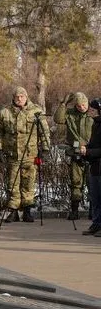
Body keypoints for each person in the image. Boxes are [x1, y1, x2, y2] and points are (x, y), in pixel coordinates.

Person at [0, 86, 50, 223]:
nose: (19, 99)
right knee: (12, 183)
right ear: (13, 98)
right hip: (13, 154)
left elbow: (44, 132)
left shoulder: (36, 111)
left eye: (22, 97)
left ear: (26, 97)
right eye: (17, 97)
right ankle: (13, 211)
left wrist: (45, 149)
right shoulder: (5, 112)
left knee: (28, 182)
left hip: (30, 154)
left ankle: (27, 211)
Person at [54, 92, 91, 220]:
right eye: (79, 105)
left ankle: (93, 210)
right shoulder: (70, 114)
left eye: (84, 104)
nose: (82, 107)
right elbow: (58, 119)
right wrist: (63, 104)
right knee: (76, 182)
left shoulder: (92, 116)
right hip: (75, 152)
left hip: (92, 153)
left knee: (92, 184)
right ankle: (75, 210)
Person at [81, 98, 101, 235]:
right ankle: (96, 223)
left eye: (93, 110)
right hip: (95, 167)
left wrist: (89, 151)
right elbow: (94, 145)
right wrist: (85, 150)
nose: (90, 112)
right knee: (95, 197)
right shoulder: (95, 124)